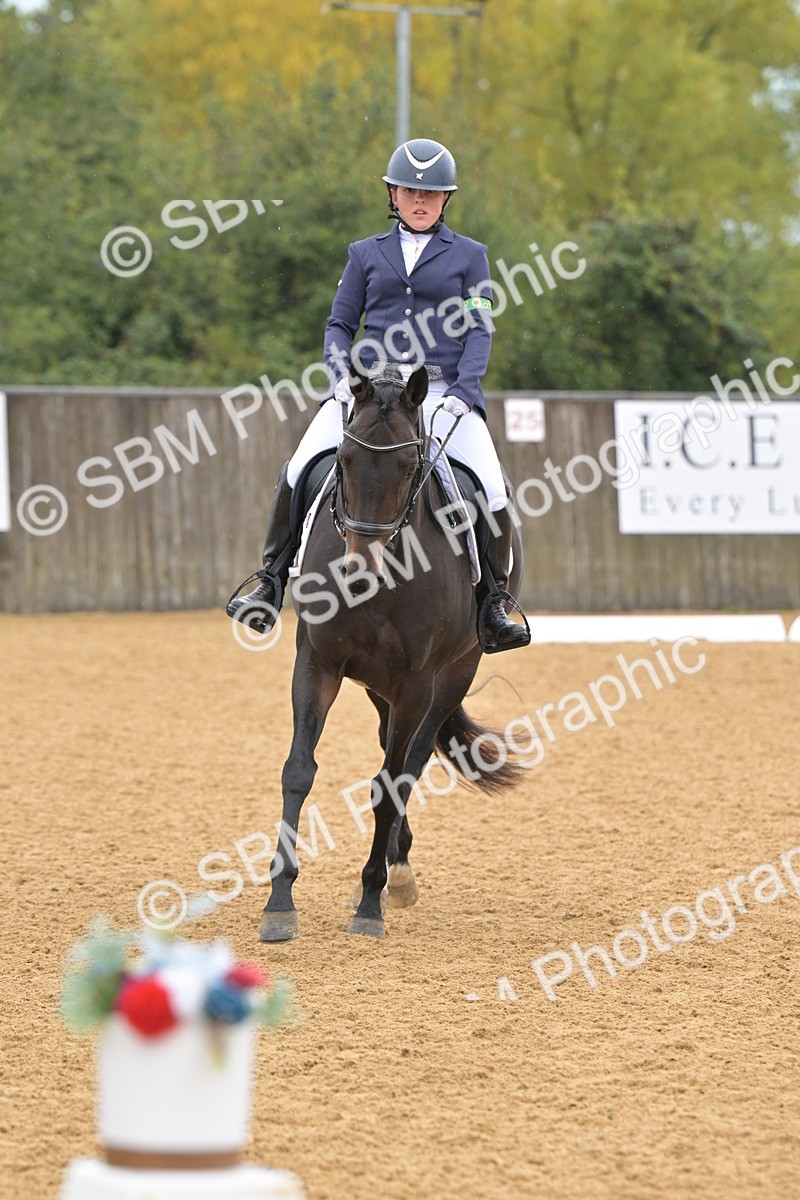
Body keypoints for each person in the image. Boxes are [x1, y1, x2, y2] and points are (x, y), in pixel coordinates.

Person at [227, 137, 529, 650]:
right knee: (300, 467)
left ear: (445, 200)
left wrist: (464, 391)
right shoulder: (364, 254)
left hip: (435, 392)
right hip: (368, 393)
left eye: (430, 194)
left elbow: (480, 329)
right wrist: (341, 377)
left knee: (491, 488)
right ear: (393, 193)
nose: (419, 200)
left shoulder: (471, 257)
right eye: (410, 190)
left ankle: (495, 602)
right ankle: (271, 580)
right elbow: (339, 324)